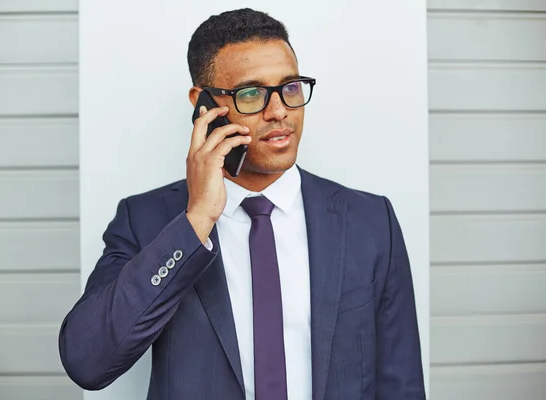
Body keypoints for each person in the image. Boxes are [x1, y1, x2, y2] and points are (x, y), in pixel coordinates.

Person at [58, 8, 425, 400]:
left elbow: (401, 384)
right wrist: (196, 220)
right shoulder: (145, 221)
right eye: (251, 94)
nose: (279, 111)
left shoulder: (371, 222)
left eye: (291, 87)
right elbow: (87, 362)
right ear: (203, 106)